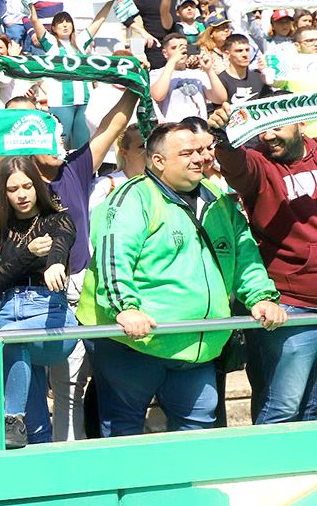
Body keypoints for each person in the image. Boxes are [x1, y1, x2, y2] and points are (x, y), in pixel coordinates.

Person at [78, 121, 287, 437]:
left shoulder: (218, 198)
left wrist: (260, 297)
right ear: (158, 161)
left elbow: (244, 254)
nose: (199, 159)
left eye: (201, 152)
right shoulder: (133, 198)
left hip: (197, 347)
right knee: (122, 433)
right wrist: (125, 308)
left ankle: (190, 488)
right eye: (186, 153)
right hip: (134, 346)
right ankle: (127, 488)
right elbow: (113, 257)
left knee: (198, 432)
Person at [208, 105, 317, 424]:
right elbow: (236, 165)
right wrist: (223, 138)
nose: (268, 136)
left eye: (276, 127)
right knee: (281, 404)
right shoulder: (258, 160)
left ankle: (304, 472)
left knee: (313, 407)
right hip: (288, 302)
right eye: (261, 129)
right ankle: (264, 473)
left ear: (297, 122)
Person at [0, 156, 77, 448]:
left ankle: (11, 419)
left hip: (52, 317)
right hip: (11, 315)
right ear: (3, 194)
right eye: (12, 189)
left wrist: (55, 264)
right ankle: (40, 476)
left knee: (12, 340)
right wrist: (27, 253)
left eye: (27, 186)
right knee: (34, 427)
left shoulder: (57, 218)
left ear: (38, 187)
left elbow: (61, 242)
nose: (21, 194)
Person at [29, 0, 115, 151]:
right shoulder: (50, 43)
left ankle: (82, 175)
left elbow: (99, 21)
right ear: (54, 28)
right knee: (59, 145)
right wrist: (30, 3)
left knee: (82, 147)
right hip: (61, 103)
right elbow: (35, 20)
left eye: (68, 22)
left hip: (85, 102)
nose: (64, 25)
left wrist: (110, 1)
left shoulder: (81, 42)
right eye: (60, 23)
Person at [150, 34, 228, 122]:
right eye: (174, 48)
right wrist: (172, 61)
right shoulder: (156, 74)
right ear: (165, 53)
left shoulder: (198, 74)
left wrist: (209, 70)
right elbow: (158, 95)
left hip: (198, 128)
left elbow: (220, 98)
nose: (180, 52)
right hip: (173, 129)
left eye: (183, 48)